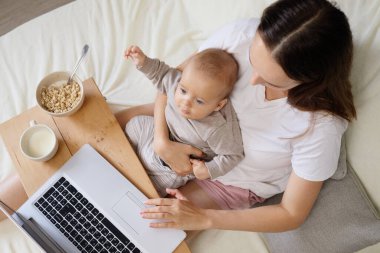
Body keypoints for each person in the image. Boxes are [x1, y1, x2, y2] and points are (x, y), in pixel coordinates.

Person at [130, 0, 356, 232]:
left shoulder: (320, 126)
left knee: (143, 228)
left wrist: (203, 217)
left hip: (227, 182)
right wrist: (161, 140)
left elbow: (291, 213)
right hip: (182, 121)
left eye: (270, 80)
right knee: (100, 135)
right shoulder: (241, 35)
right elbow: (173, 81)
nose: (252, 81)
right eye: (252, 61)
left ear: (309, 80)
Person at [123, 46, 244, 197]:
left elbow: (234, 155)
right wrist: (143, 62)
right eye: (183, 91)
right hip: (158, 134)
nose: (185, 102)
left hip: (170, 167)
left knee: (150, 189)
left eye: (199, 101)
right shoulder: (178, 84)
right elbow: (162, 74)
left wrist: (209, 170)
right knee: (135, 124)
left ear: (218, 105)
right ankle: (126, 157)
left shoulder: (216, 128)